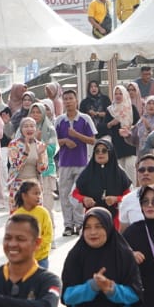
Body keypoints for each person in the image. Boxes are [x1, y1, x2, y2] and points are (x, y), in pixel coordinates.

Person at [56, 89, 97, 236]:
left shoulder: (85, 119)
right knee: (65, 194)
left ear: (76, 100)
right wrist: (65, 141)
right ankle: (68, 225)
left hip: (81, 162)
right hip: (64, 163)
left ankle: (80, 223)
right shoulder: (59, 120)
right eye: (65, 99)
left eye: (70, 98)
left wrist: (77, 136)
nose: (68, 101)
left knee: (78, 194)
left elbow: (93, 140)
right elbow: (53, 142)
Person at [72, 139, 132, 223]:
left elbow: (129, 196)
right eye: (97, 151)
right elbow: (74, 194)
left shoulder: (119, 172)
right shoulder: (87, 172)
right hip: (92, 218)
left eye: (104, 150)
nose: (100, 153)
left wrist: (116, 199)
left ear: (110, 153)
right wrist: (84, 199)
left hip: (115, 219)